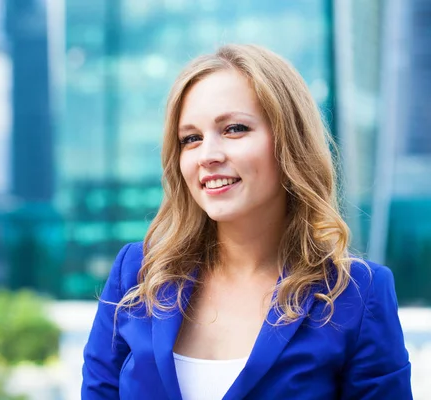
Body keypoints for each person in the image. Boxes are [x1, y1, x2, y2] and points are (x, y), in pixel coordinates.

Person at [81, 44, 412, 400]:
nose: (208, 155)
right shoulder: (136, 275)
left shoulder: (357, 294)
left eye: (234, 129)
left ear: (289, 141)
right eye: (190, 138)